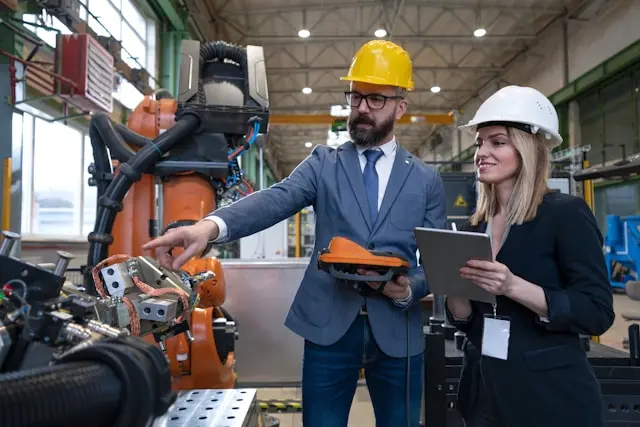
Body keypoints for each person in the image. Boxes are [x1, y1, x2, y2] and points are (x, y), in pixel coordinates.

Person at [143, 40, 446, 426]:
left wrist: (410, 289)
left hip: (397, 330)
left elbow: (435, 261)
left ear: (401, 106)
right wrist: (208, 227)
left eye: (376, 99)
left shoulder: (425, 180)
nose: (362, 109)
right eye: (355, 97)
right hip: (329, 325)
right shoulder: (324, 163)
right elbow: (276, 199)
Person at [445, 85, 615, 427]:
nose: (482, 152)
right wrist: (455, 290)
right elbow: (466, 320)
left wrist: (513, 286)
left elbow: (596, 313)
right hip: (483, 393)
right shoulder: (472, 227)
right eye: (480, 143)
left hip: (549, 398)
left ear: (527, 148)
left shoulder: (564, 214)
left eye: (497, 142)